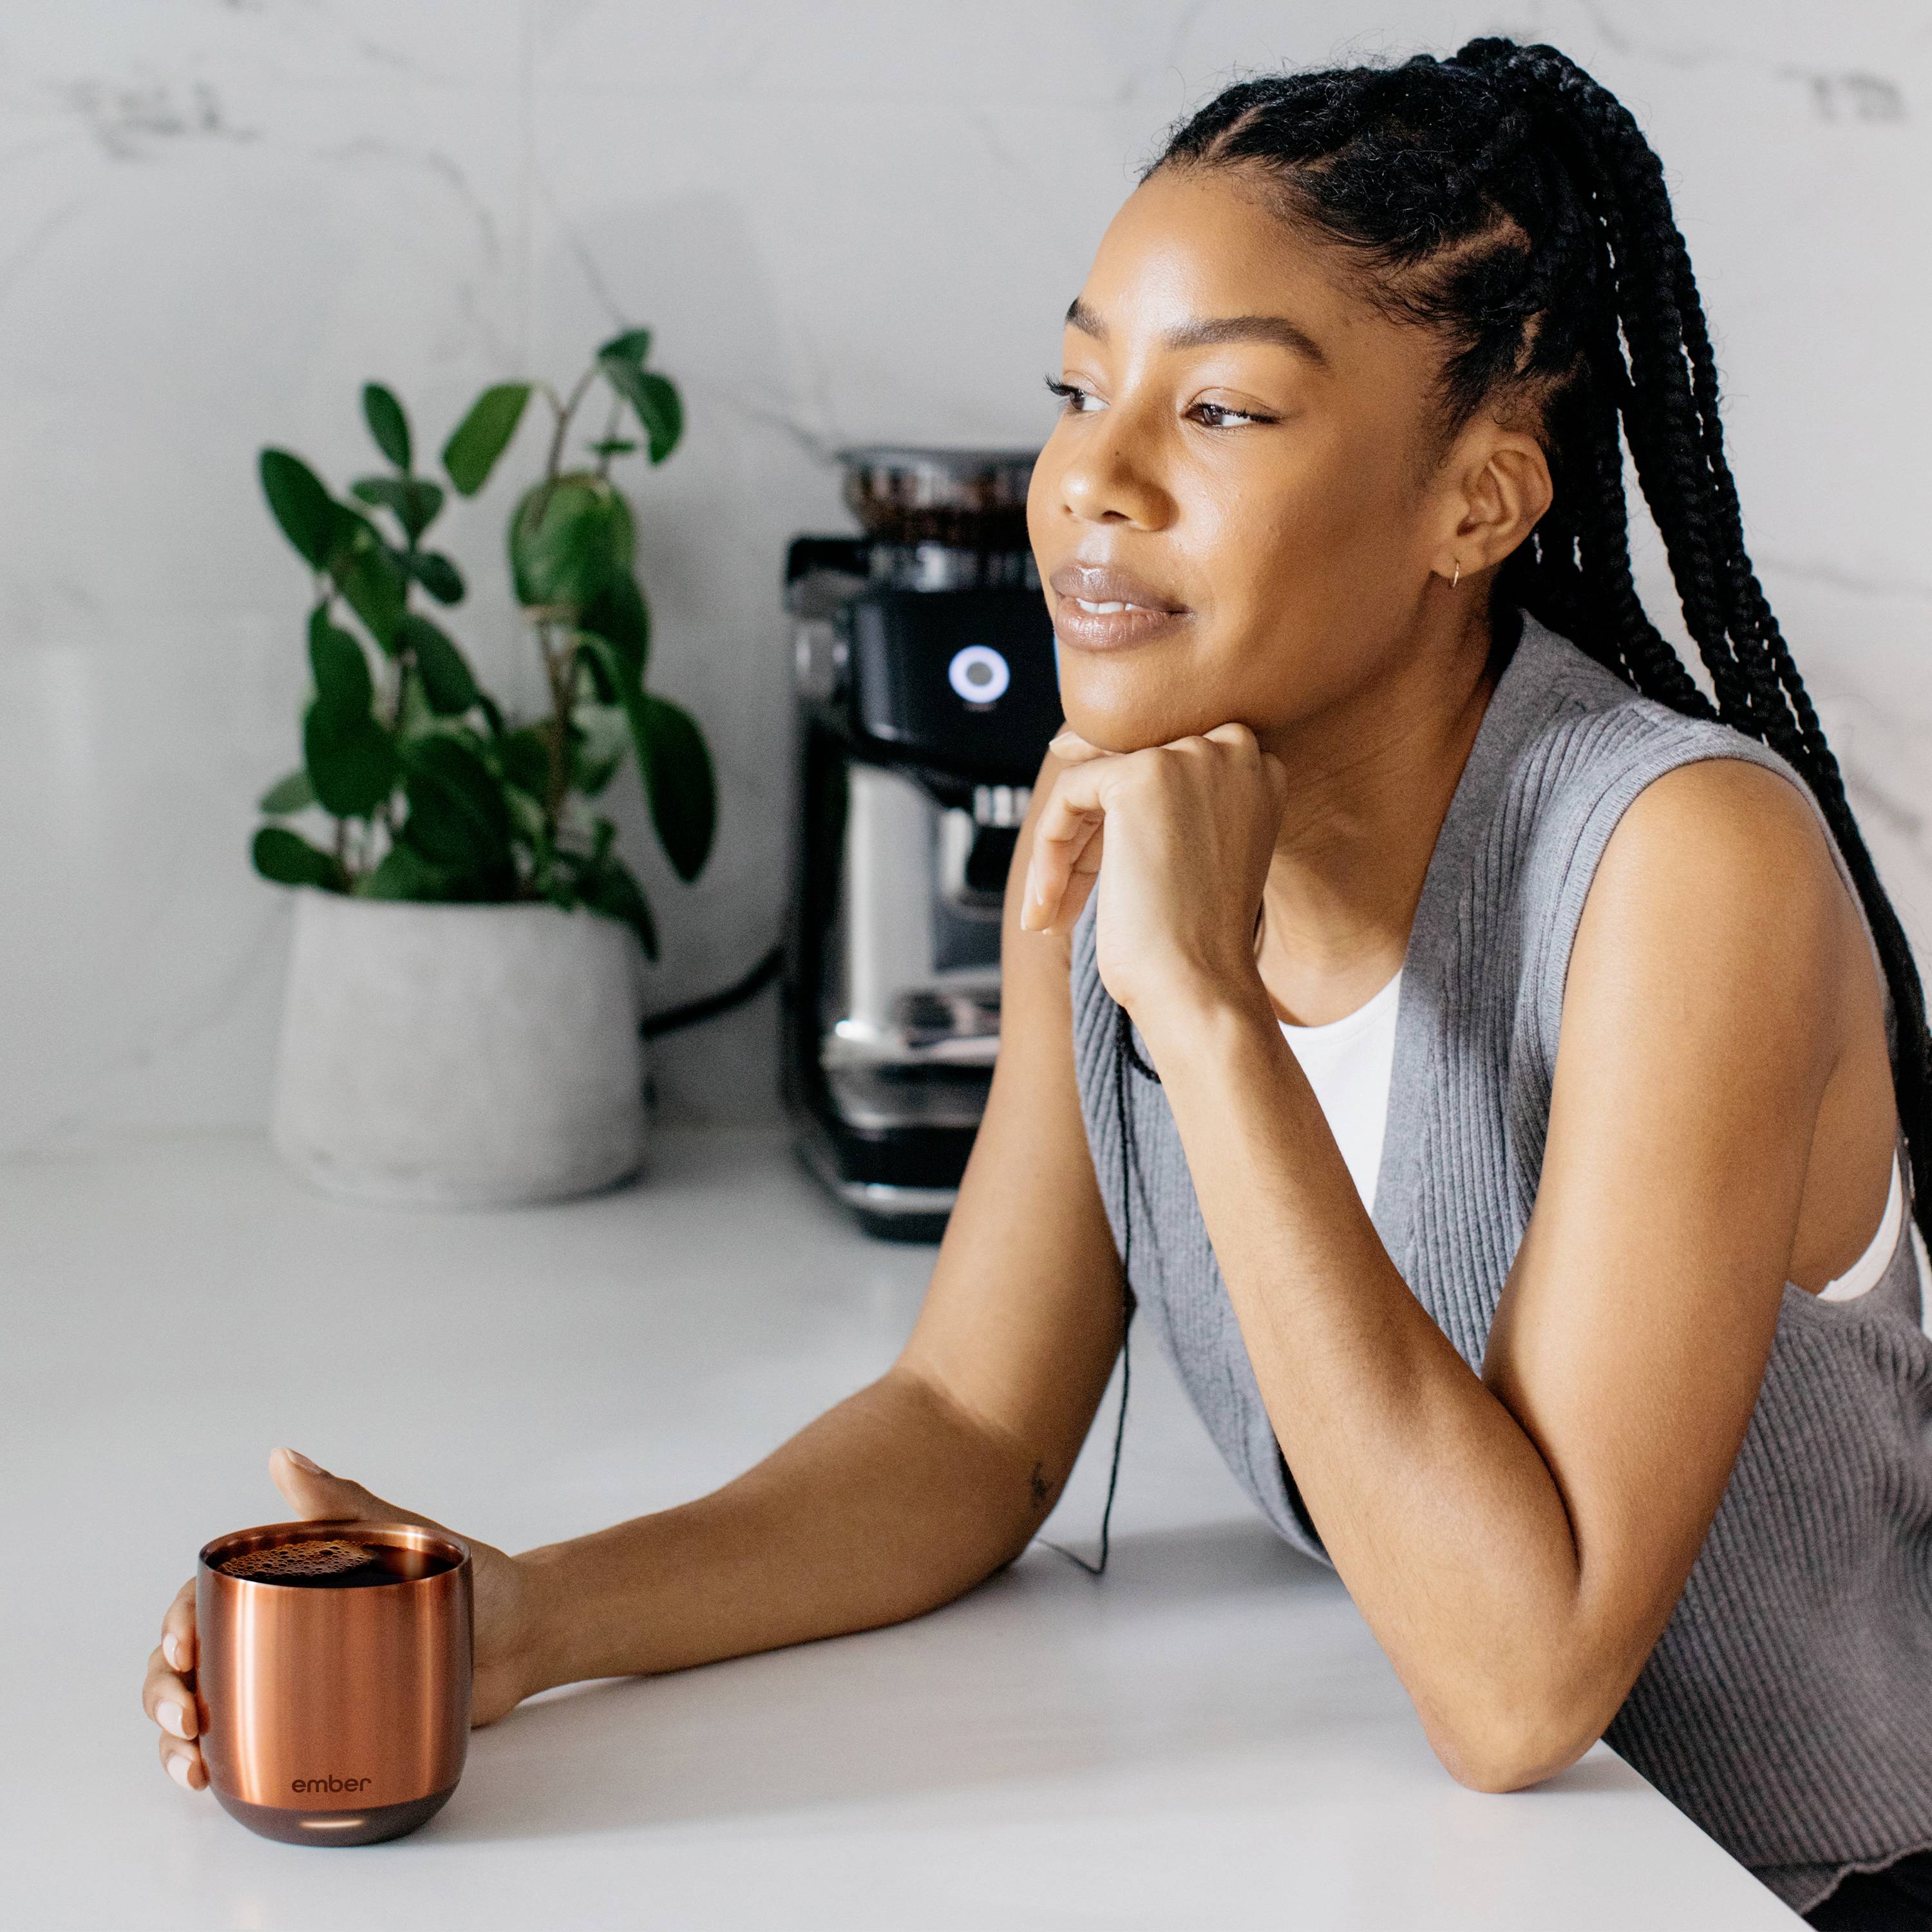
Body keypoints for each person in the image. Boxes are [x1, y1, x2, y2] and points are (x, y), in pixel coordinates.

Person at [144, 39, 1932, 1926]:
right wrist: (529, 1617)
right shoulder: (1132, 822)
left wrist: (1207, 1017)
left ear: (1477, 507)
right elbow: (972, 1434)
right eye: (1080, 386)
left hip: (1817, 1890)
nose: (1095, 478)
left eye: (1224, 410)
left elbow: (1518, 1687)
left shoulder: (1682, 866)